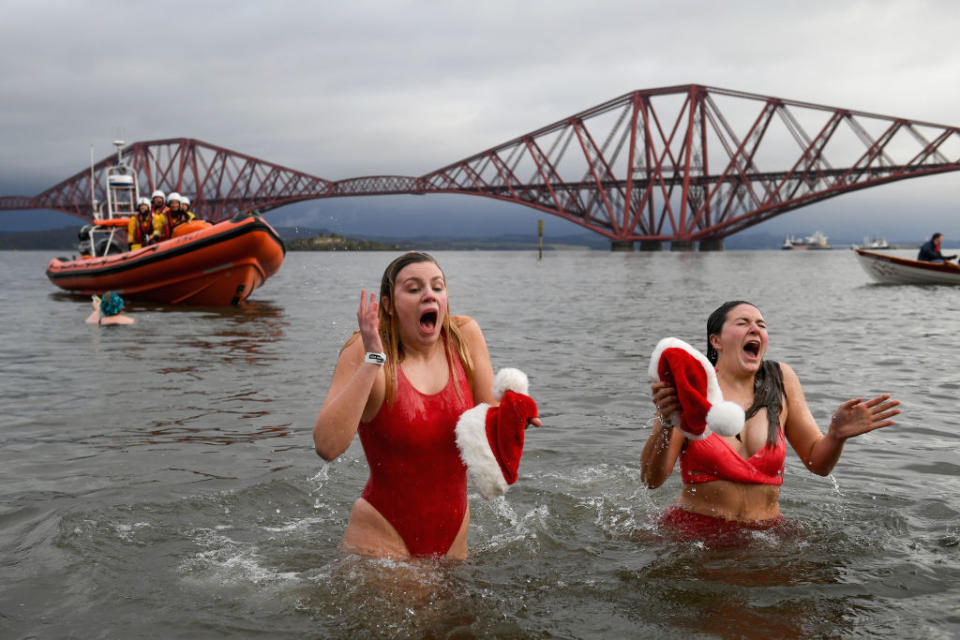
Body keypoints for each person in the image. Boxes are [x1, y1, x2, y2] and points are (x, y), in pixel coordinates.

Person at [312, 251, 539, 560]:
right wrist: (373, 360)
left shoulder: (464, 338)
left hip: (454, 543)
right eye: (414, 288)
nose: (429, 295)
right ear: (389, 306)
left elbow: (490, 425)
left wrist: (515, 416)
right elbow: (327, 445)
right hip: (383, 541)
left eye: (437, 286)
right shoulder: (365, 348)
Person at [641, 300, 900, 538]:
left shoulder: (781, 379)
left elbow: (817, 462)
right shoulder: (693, 388)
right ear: (716, 341)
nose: (755, 328)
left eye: (761, 325)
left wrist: (836, 435)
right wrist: (666, 422)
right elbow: (652, 480)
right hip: (697, 532)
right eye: (743, 323)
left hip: (766, 533)